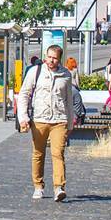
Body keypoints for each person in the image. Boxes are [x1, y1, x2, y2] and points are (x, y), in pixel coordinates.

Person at [18, 44, 79, 202]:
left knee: (58, 153)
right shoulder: (35, 72)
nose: (51, 61)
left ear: (60, 59)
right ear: (46, 56)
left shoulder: (66, 74)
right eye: (49, 57)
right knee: (38, 153)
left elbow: (68, 100)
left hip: (59, 120)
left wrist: (70, 123)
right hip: (39, 119)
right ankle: (38, 186)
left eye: (55, 58)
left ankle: (59, 187)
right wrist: (23, 116)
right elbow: (24, 94)